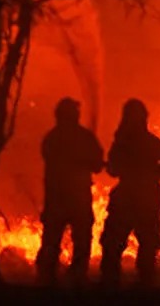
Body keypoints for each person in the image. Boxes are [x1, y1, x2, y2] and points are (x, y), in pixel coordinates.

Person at [100, 98, 160, 288]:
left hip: (128, 198)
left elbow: (113, 170)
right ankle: (145, 282)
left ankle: (112, 283)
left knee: (116, 242)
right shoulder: (150, 142)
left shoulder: (122, 144)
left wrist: (153, 173)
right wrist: (157, 174)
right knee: (145, 243)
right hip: (145, 199)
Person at [36, 97, 104, 286]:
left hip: (58, 198)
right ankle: (75, 275)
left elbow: (95, 163)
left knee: (53, 239)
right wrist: (87, 160)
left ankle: (48, 277)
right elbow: (97, 165)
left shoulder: (51, 138)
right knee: (79, 239)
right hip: (75, 198)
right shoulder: (83, 137)